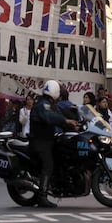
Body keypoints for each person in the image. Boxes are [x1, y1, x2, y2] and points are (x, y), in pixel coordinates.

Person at [29, 80, 78, 208]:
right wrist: (65, 120)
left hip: (48, 140)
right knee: (48, 165)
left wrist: (73, 123)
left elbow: (59, 117)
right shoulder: (42, 105)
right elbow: (50, 117)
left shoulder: (51, 105)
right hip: (40, 142)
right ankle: (42, 197)